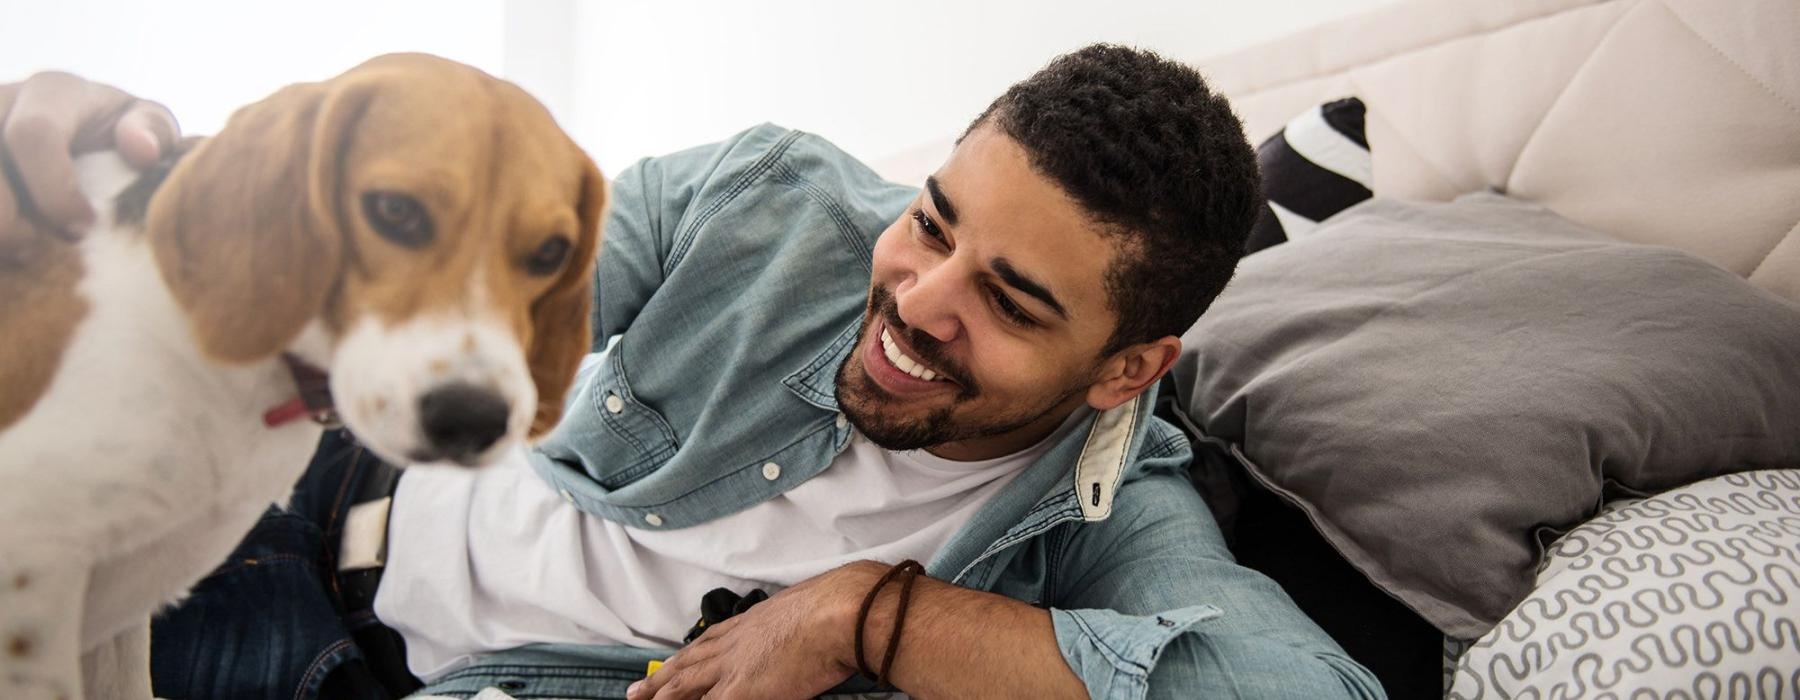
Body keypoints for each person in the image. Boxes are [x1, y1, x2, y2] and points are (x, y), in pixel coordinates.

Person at [1, 45, 1384, 699]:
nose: (914, 301)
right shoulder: (767, 202)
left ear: (1124, 366)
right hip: (305, 490)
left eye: (1011, 303)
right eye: (933, 221)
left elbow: (1288, 694)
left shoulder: (1110, 512)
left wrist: (869, 618)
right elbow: (440, 259)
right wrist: (128, 176)